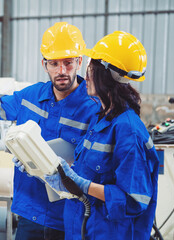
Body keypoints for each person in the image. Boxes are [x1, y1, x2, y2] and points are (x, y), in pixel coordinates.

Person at [0, 22, 99, 239]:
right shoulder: (31, 97)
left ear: (79, 62)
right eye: (54, 63)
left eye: (68, 63)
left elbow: (97, 165)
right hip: (29, 213)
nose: (61, 71)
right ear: (45, 65)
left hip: (68, 218)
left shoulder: (93, 109)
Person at [45, 31, 159, 240]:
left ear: (108, 75)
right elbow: (92, 171)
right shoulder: (101, 119)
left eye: (91, 68)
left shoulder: (128, 129)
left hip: (108, 233)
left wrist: (82, 184)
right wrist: (50, 169)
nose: (86, 75)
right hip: (82, 229)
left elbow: (134, 200)